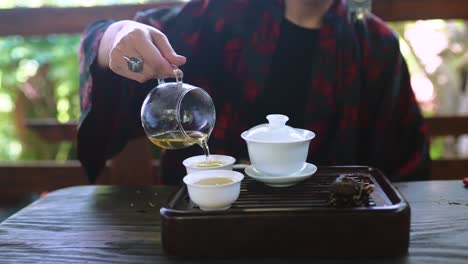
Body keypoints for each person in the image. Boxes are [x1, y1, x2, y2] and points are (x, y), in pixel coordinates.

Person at [78, 0, 431, 185]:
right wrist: (118, 35)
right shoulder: (224, 12)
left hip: (330, 227)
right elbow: (134, 36)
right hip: (209, 217)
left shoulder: (374, 44)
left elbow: (404, 161)